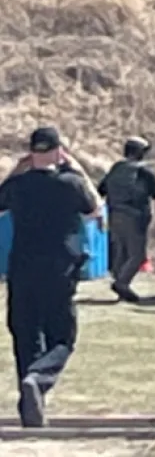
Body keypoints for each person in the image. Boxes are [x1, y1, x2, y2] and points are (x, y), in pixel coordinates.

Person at [0, 127, 100, 427]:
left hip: (22, 267)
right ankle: (38, 380)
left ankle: (30, 402)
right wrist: (80, 170)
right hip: (59, 269)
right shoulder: (71, 183)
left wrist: (15, 172)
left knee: (26, 334)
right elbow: (95, 209)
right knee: (62, 337)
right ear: (59, 152)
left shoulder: (18, 186)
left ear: (31, 153)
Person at [97, 136, 155, 303]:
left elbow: (100, 191)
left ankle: (121, 288)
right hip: (135, 218)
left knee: (121, 253)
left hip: (114, 216)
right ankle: (122, 283)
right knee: (137, 255)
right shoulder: (144, 172)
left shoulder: (116, 169)